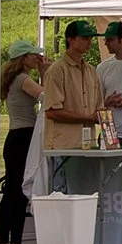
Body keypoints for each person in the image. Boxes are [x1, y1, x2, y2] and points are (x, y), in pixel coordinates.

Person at [0, 40, 48, 244]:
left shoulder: (13, 79)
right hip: (24, 137)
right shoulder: (23, 80)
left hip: (14, 137)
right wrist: (45, 72)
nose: (37, 58)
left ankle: (3, 242)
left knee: (10, 190)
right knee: (19, 191)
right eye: (33, 55)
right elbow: (47, 97)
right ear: (23, 58)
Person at [41, 20, 106, 150]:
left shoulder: (92, 71)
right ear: (70, 40)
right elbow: (52, 112)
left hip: (88, 145)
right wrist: (88, 117)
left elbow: (99, 107)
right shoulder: (57, 70)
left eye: (91, 38)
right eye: (84, 37)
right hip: (64, 146)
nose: (89, 41)